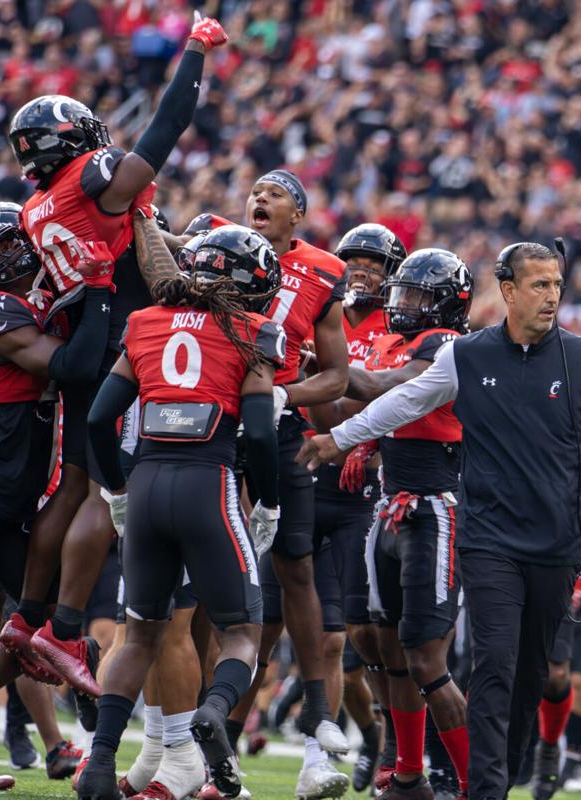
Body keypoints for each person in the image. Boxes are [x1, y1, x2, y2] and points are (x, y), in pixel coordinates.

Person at [297, 241, 581, 800]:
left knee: (529, 678)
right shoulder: (467, 355)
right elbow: (404, 401)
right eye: (539, 285)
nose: (552, 296)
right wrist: (337, 438)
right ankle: (483, 790)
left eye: (556, 284)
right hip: (487, 540)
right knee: (493, 667)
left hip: (557, 543)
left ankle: (507, 768)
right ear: (507, 291)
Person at [6, 9, 229, 697]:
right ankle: (66, 625)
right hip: (121, 344)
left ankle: (32, 615)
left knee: (73, 485)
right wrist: (197, 48)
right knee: (108, 490)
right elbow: (165, 130)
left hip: (82, 337)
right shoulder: (92, 175)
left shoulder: (34, 209)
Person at [75, 224, 284, 800]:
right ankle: (214, 713)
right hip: (209, 482)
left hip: (145, 484)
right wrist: (266, 500)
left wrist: (117, 491)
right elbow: (263, 436)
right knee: (243, 628)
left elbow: (98, 420)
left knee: (139, 633)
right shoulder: (254, 329)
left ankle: (97, 767)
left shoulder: (145, 322)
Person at [0, 218, 112, 789]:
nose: (16, 252)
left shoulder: (22, 301)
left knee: (43, 625)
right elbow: (74, 365)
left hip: (11, 499)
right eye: (2, 248)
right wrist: (101, 289)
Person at [187, 170, 353, 799]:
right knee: (207, 584)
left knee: (297, 567)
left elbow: (336, 377)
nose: (259, 198)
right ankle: (189, 730)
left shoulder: (324, 271)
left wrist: (282, 395)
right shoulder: (218, 248)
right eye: (255, 191)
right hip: (213, 421)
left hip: (277, 426)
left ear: (298, 214)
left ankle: (319, 712)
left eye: (275, 194)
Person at [334, 248, 473, 800]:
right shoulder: (396, 341)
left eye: (416, 295)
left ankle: (472, 785)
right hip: (390, 504)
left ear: (444, 303)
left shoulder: (446, 345)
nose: (402, 304)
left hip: (435, 507)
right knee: (388, 646)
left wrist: (305, 362)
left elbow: (382, 388)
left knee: (425, 658)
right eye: (402, 292)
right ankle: (409, 774)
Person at [306, 222, 406, 793]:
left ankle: (391, 739)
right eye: (355, 260)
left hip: (369, 483)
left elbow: (401, 397)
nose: (363, 270)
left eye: (375, 262)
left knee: (362, 631)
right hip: (314, 474)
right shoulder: (326, 318)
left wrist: (359, 438)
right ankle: (372, 734)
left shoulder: (398, 328)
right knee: (329, 635)